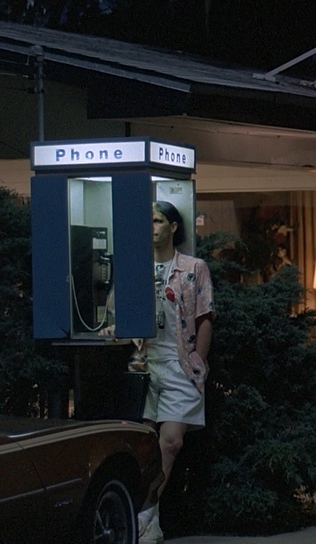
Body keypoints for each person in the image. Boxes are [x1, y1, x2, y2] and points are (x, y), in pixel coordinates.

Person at [101, 201, 215, 543]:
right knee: (143, 443)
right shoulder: (136, 268)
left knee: (171, 440)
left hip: (178, 361)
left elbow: (204, 315)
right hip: (142, 361)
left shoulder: (193, 268)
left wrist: (198, 359)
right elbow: (114, 310)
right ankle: (148, 521)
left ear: (173, 227)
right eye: (147, 221)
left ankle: (146, 510)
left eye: (157, 220)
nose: (151, 227)